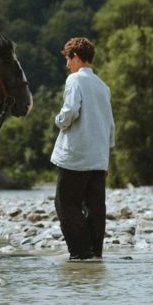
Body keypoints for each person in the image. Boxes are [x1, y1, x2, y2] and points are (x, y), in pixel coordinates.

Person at [51, 37, 115, 262]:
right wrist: (105, 158)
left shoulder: (75, 80)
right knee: (95, 208)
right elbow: (110, 125)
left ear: (76, 57)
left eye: (68, 59)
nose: (67, 65)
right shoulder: (103, 86)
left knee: (66, 204)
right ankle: (95, 253)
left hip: (76, 155)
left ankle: (80, 253)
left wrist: (59, 121)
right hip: (98, 157)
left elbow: (70, 112)